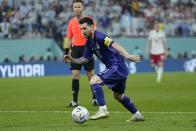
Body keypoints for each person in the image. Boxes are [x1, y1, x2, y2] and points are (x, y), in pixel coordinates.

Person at [64, 17, 144, 122]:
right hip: (118, 69)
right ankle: (137, 115)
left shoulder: (100, 36)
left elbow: (115, 44)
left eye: (84, 28)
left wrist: (127, 55)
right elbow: (84, 59)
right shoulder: (88, 43)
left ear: (92, 27)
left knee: (94, 80)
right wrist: (72, 60)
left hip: (117, 66)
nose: (82, 31)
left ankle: (103, 110)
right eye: (81, 29)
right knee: (118, 95)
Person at [64, 0, 97, 107]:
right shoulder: (71, 22)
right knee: (75, 75)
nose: (77, 9)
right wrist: (66, 51)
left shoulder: (89, 20)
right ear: (73, 8)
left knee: (90, 75)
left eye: (79, 6)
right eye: (75, 7)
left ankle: (95, 98)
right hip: (76, 50)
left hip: (87, 48)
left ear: (82, 8)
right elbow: (69, 38)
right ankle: (75, 101)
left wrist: (94, 48)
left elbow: (94, 34)